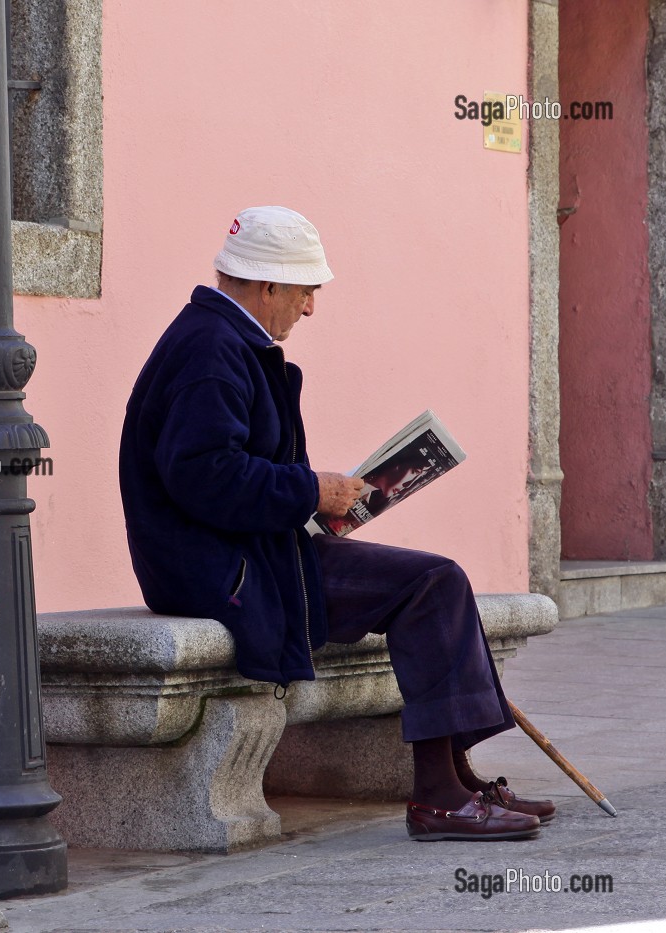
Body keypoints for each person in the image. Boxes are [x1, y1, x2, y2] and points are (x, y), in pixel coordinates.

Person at [118, 206, 554, 841]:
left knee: (434, 583)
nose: (310, 308)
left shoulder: (223, 342)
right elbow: (204, 475)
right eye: (305, 292)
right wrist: (312, 490)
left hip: (253, 555)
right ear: (267, 285)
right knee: (431, 584)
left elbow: (230, 471)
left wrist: (316, 504)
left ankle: (455, 782)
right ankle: (437, 796)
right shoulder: (211, 352)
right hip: (225, 574)